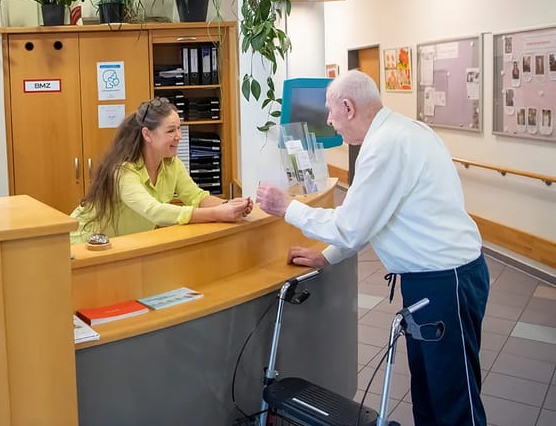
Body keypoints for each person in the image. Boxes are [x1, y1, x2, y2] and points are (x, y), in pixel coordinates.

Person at [256, 70, 489, 426]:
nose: (331, 123)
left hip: (445, 281)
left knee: (453, 399)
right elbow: (372, 218)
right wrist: (326, 255)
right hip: (435, 279)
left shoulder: (385, 146)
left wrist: (288, 207)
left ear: (348, 107)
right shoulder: (404, 131)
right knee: (427, 391)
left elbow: (351, 227)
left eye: (331, 113)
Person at [70, 97, 253, 244]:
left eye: (179, 128)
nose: (178, 136)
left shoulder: (172, 164)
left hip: (119, 245)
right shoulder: (123, 171)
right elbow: (154, 211)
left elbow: (197, 197)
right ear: (147, 135)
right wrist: (216, 214)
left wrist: (229, 206)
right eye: (171, 131)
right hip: (83, 244)